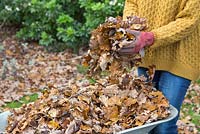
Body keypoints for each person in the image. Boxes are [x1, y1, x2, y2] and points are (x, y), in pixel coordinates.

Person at [120, 0, 200, 134]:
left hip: (179, 56)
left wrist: (150, 37)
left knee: (164, 126)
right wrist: (133, 28)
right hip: (147, 56)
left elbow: (189, 19)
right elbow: (131, 2)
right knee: (145, 121)